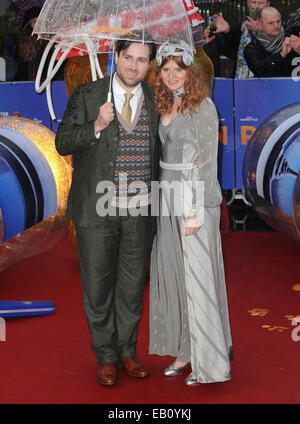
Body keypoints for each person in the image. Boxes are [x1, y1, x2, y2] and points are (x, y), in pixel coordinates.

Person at [55, 40, 159, 387]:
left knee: (131, 288)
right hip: (96, 211)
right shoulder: (88, 95)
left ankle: (127, 351)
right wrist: (97, 125)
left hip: (140, 212)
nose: (133, 66)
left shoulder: (157, 98)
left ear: (149, 65)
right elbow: (63, 142)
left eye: (141, 60)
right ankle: (105, 355)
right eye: (128, 57)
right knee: (97, 288)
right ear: (116, 57)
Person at [149, 40, 233, 385]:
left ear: (190, 70)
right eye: (165, 69)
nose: (170, 75)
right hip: (167, 198)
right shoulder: (167, 101)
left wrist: (198, 210)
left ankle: (211, 364)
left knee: (199, 279)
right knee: (177, 276)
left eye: (177, 68)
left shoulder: (203, 106)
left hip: (193, 201)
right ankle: (186, 351)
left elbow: (207, 164)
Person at [208, 0, 270, 78]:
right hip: (240, 81)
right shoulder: (240, 27)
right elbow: (231, 53)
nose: (257, 6)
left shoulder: (276, 29)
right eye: (253, 2)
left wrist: (258, 31)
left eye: (261, 3)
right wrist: (227, 32)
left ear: (268, 4)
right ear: (248, 3)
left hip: (265, 81)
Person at [244, 7, 299, 77]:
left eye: (278, 21)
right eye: (271, 23)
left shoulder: (294, 40)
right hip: (268, 87)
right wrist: (281, 55)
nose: (276, 26)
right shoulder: (252, 49)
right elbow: (260, 71)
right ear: (259, 26)